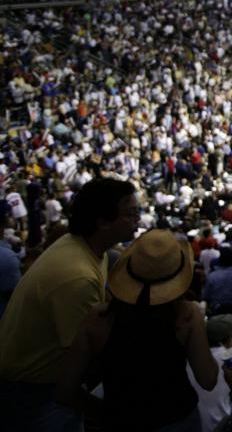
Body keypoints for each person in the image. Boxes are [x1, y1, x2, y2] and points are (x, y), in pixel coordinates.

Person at [0, 177, 140, 432]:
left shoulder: (86, 247)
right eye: (130, 214)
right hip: (35, 392)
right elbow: (89, 355)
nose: (137, 220)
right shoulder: (77, 276)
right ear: (103, 223)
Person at [56, 229, 219, 431]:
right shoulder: (186, 316)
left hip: (119, 421)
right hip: (178, 419)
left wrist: (105, 412)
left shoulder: (98, 319)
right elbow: (208, 379)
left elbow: (65, 390)